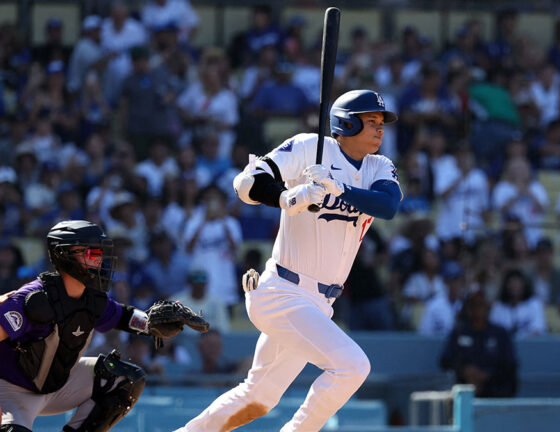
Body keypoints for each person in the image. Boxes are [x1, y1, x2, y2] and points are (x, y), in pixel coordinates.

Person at [177, 89, 401, 432]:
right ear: (346, 122)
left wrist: (338, 188)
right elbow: (245, 184)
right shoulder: (310, 147)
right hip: (284, 291)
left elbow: (388, 206)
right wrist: (288, 196)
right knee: (353, 367)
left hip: (319, 303)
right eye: (370, 121)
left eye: (381, 122)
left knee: (258, 398)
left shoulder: (378, 166)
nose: (379, 129)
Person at [0, 220, 209, 431]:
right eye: (90, 253)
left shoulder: (92, 300)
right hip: (12, 391)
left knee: (125, 378)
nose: (98, 260)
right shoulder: (31, 300)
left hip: (59, 385)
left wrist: (151, 323)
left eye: (99, 253)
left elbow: (123, 317)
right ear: (63, 254)